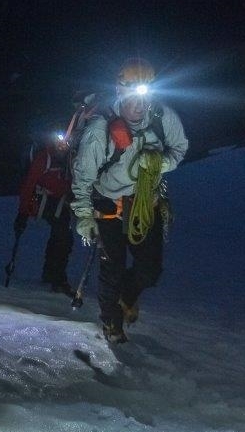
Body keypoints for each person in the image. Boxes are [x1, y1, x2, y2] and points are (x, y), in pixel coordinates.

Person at [70, 58, 188, 343]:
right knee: (112, 270)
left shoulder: (163, 117)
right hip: (110, 207)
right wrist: (84, 215)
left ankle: (126, 297)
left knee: (150, 270)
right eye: (133, 96)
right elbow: (83, 178)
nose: (140, 105)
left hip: (146, 204)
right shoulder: (100, 129)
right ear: (120, 92)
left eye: (145, 96)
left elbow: (179, 149)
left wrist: (159, 164)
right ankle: (112, 323)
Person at [13, 135, 75, 296]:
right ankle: (57, 279)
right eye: (61, 142)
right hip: (44, 201)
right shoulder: (44, 157)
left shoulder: (68, 158)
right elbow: (29, 185)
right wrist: (22, 213)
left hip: (59, 201)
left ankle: (51, 274)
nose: (63, 145)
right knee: (63, 237)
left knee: (61, 237)